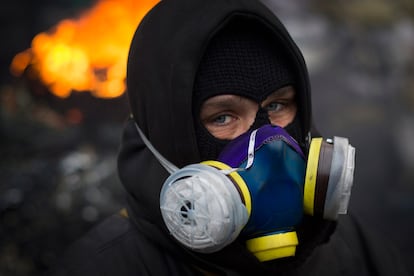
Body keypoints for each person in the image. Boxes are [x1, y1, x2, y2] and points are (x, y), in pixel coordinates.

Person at [50, 0, 409, 275]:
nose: (270, 142)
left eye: (279, 105)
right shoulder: (103, 267)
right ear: (166, 134)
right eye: (223, 116)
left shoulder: (353, 251)